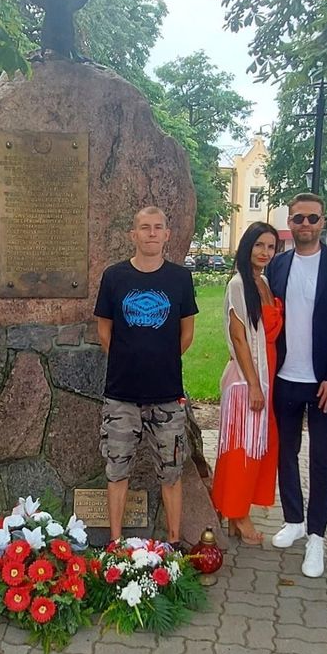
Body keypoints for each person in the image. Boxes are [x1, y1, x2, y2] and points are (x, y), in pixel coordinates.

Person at [264, 193, 327, 577]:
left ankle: (317, 535)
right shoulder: (279, 265)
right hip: (287, 377)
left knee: (322, 458)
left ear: (323, 222)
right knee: (285, 453)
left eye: (312, 218)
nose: (305, 224)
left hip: (324, 382)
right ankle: (294, 520)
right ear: (290, 221)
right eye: (298, 218)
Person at [95, 206, 199, 545]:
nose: (151, 233)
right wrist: (130, 359)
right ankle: (115, 543)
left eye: (158, 227)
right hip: (121, 394)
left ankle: (173, 542)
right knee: (117, 470)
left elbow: (187, 334)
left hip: (167, 393)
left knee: (171, 473)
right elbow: (104, 331)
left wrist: (159, 359)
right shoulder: (114, 277)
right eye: (144, 227)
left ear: (167, 234)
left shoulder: (180, 279)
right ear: (133, 234)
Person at [211, 223, 283, 544]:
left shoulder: (263, 282)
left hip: (267, 373)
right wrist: (253, 384)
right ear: (247, 246)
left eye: (270, 247)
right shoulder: (239, 285)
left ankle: (236, 511)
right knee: (243, 449)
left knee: (258, 448)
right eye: (259, 245)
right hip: (247, 379)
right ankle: (238, 515)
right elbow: (239, 339)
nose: (265, 252)